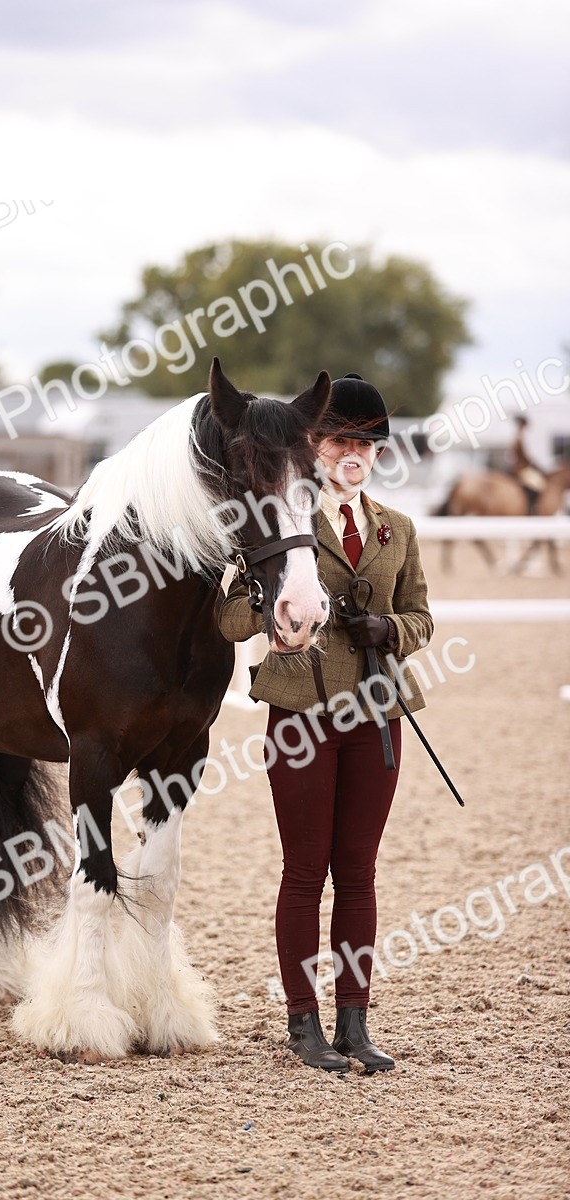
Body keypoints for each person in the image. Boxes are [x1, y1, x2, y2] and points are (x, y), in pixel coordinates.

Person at [219, 372, 433, 1074]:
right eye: (342, 439)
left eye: (366, 444)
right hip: (302, 715)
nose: (354, 453)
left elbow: (423, 618)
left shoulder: (394, 529)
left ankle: (355, 1022)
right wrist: (270, 610)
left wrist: (388, 628)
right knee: (305, 872)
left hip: (376, 716)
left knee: (361, 875)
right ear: (315, 445)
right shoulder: (285, 518)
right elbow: (227, 616)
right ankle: (302, 1023)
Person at [508, 415, 546, 514]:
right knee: (538, 483)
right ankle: (531, 507)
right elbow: (523, 456)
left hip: (521, 467)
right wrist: (533, 464)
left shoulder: (518, 437)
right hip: (521, 469)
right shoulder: (518, 438)